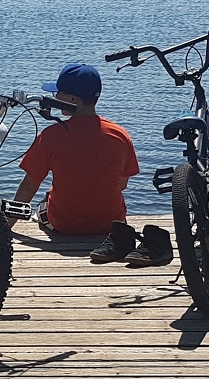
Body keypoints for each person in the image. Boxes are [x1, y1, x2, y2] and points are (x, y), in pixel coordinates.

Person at [12, 61, 166, 264]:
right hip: (110, 224)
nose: (54, 98)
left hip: (65, 226)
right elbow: (122, 184)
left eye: (59, 93)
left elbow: (28, 187)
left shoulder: (50, 136)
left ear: (73, 99)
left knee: (44, 200)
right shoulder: (119, 135)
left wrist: (5, 225)